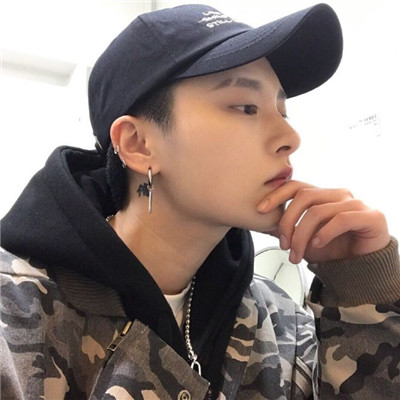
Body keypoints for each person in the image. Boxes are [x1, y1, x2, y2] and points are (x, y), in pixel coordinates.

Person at [1, 3, 399, 399]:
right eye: (246, 107)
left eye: (282, 110)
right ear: (138, 144)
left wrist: (363, 288)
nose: (290, 138)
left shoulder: (280, 324)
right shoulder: (17, 317)